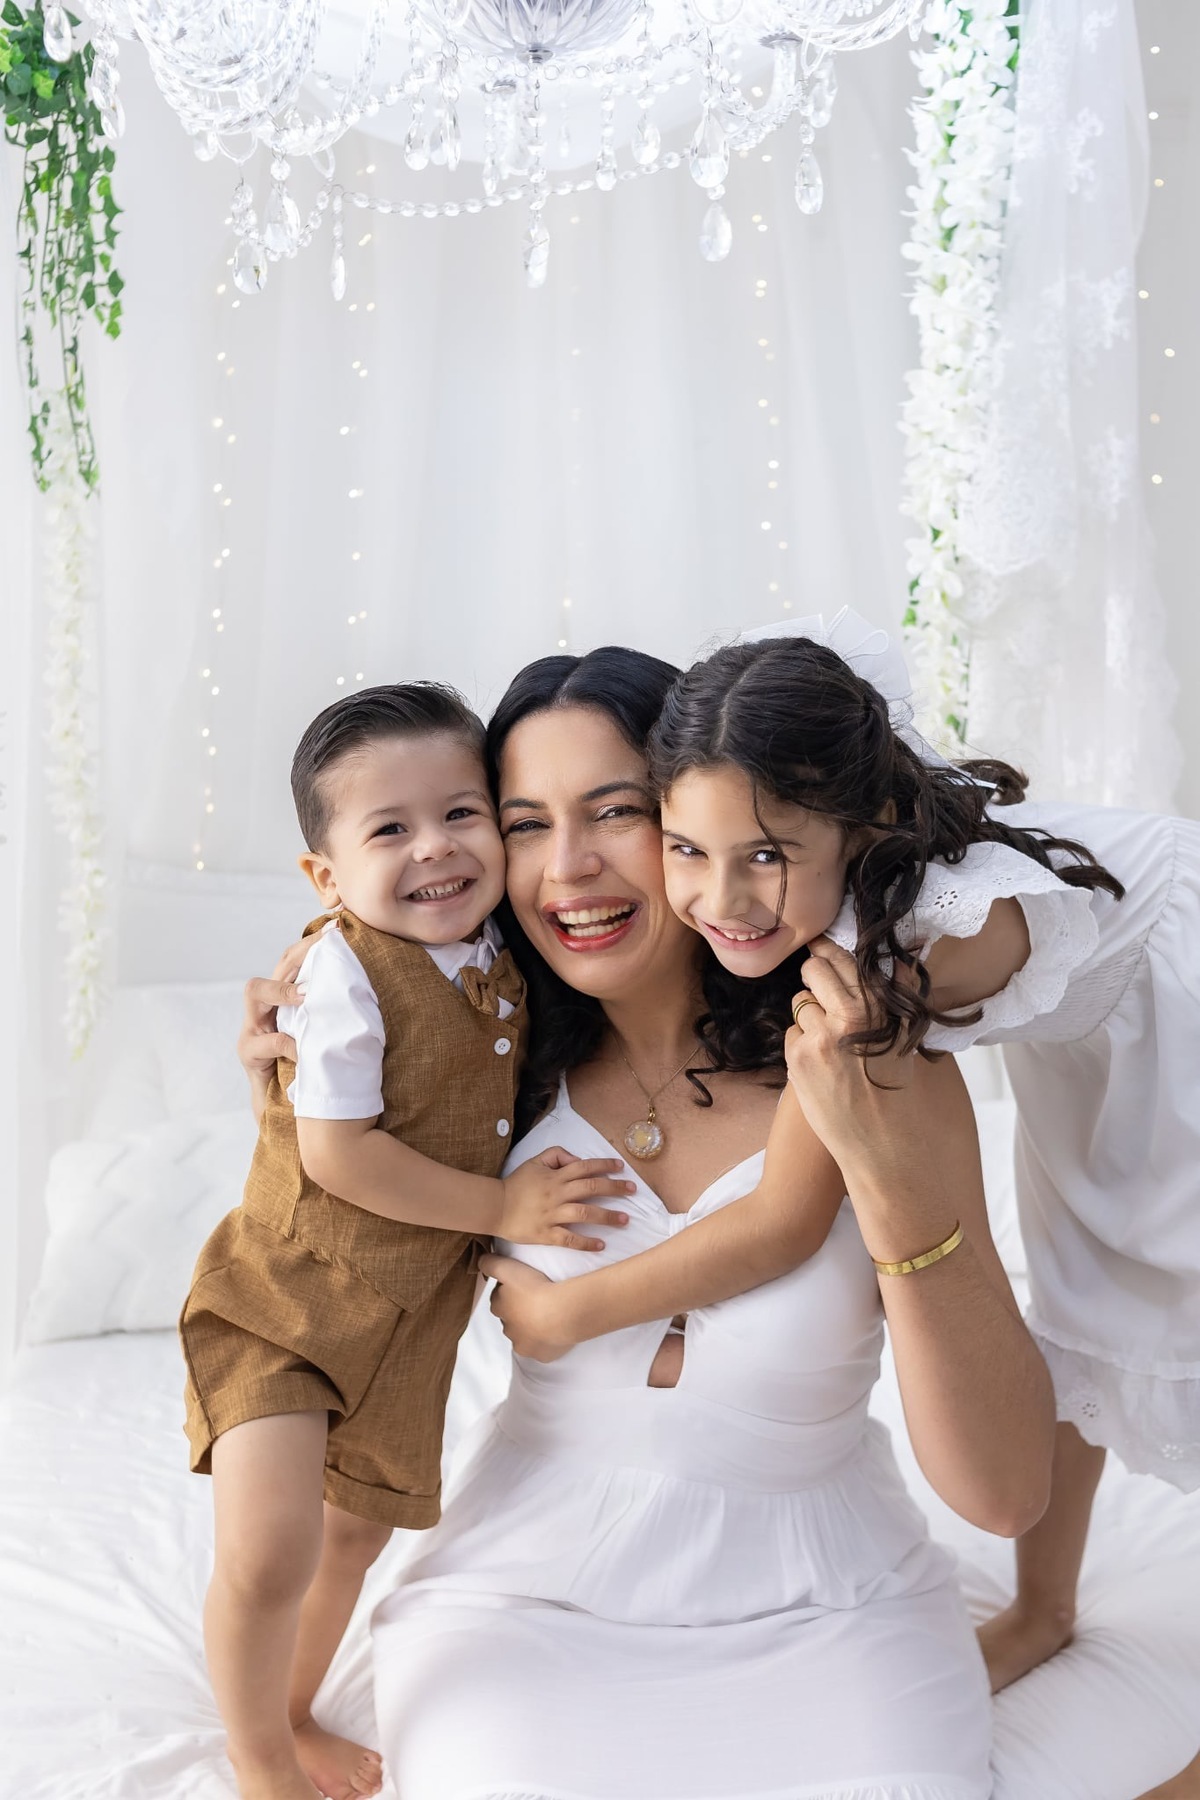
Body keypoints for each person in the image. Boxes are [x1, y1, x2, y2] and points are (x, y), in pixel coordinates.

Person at [347, 645, 1052, 1799]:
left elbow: (1003, 1494)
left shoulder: (866, 1060)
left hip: (831, 1603)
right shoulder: (476, 1070)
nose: (567, 868)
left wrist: (893, 1178)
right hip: (525, 1598)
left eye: (615, 812)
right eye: (525, 823)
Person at [521, 613, 1195, 1799]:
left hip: (1175, 1007)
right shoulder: (786, 881)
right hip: (1087, 1030)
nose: (719, 897)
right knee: (1080, 1284)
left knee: (1167, 1270)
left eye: (768, 855)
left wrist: (570, 1316)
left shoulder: (897, 970)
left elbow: (782, 1215)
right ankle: (1043, 1607)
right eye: (684, 847)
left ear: (863, 828)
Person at [184, 682, 633, 1800]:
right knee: (275, 1545)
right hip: (284, 1301)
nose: (434, 848)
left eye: (462, 813)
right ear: (327, 877)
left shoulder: (500, 955)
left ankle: (290, 1706)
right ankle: (257, 1755)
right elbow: (338, 1156)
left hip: (406, 1325)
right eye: (390, 829)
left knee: (351, 1541)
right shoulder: (342, 968)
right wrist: (507, 1211)